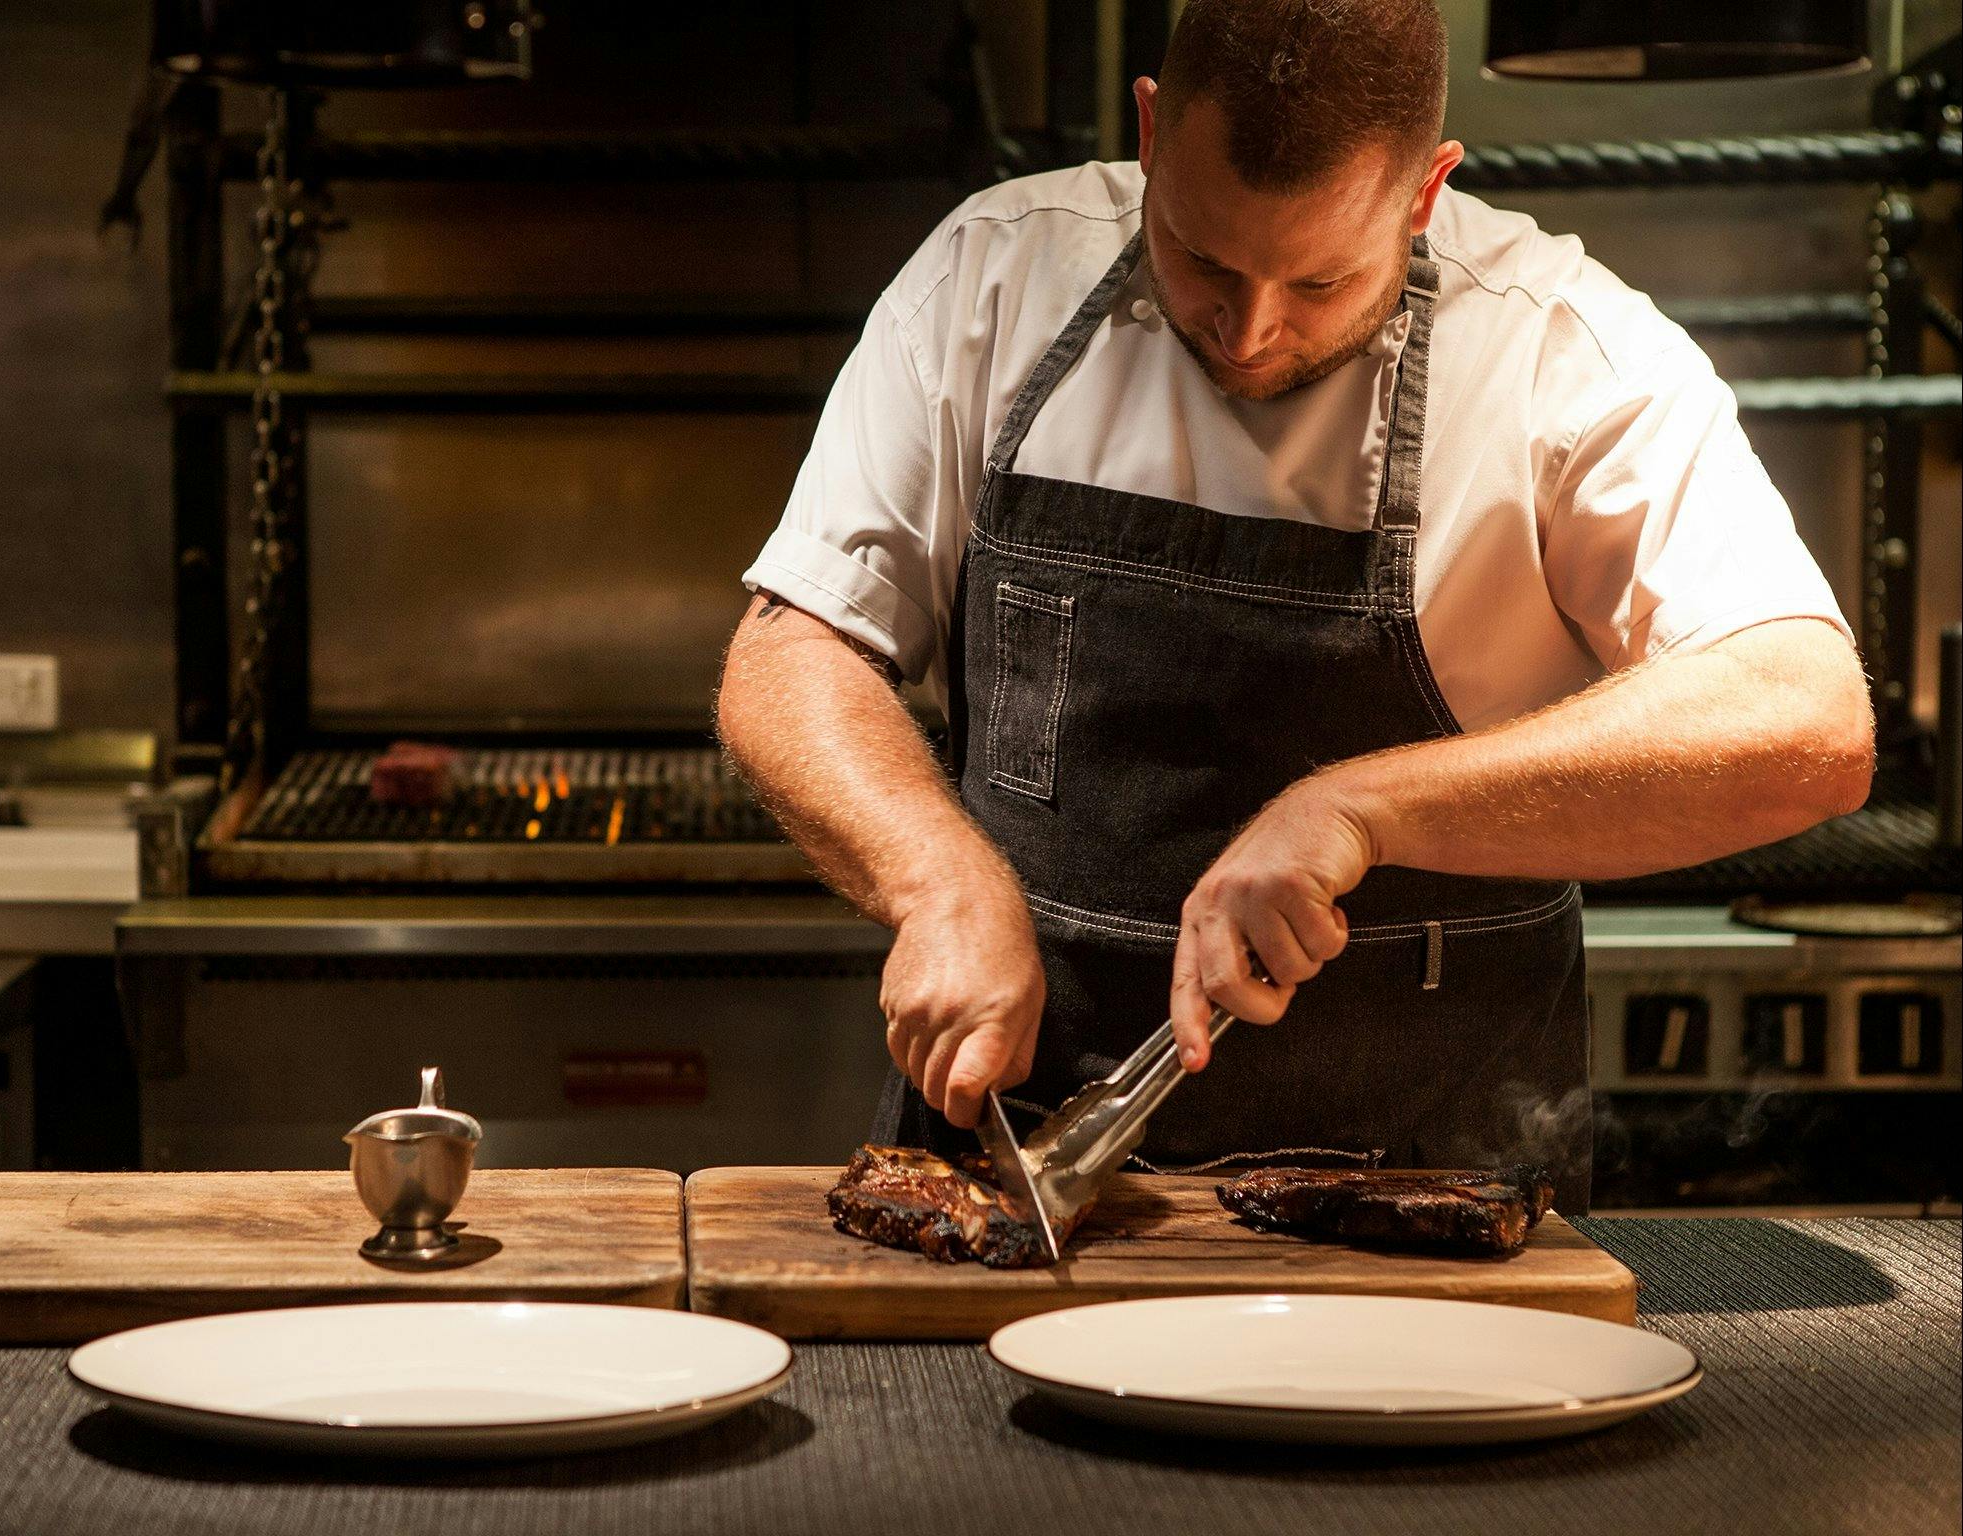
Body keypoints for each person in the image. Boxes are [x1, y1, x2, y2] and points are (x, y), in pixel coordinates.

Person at [716, 0, 1872, 1210]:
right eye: (1204, 257)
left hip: (1422, 1207)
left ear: (1427, 194)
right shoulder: (993, 276)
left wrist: (1360, 809)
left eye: (1321, 279)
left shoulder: (1560, 354)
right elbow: (793, 646)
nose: (1252, 331)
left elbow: (1806, 720)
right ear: (1152, 132)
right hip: (1014, 1169)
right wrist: (934, 882)